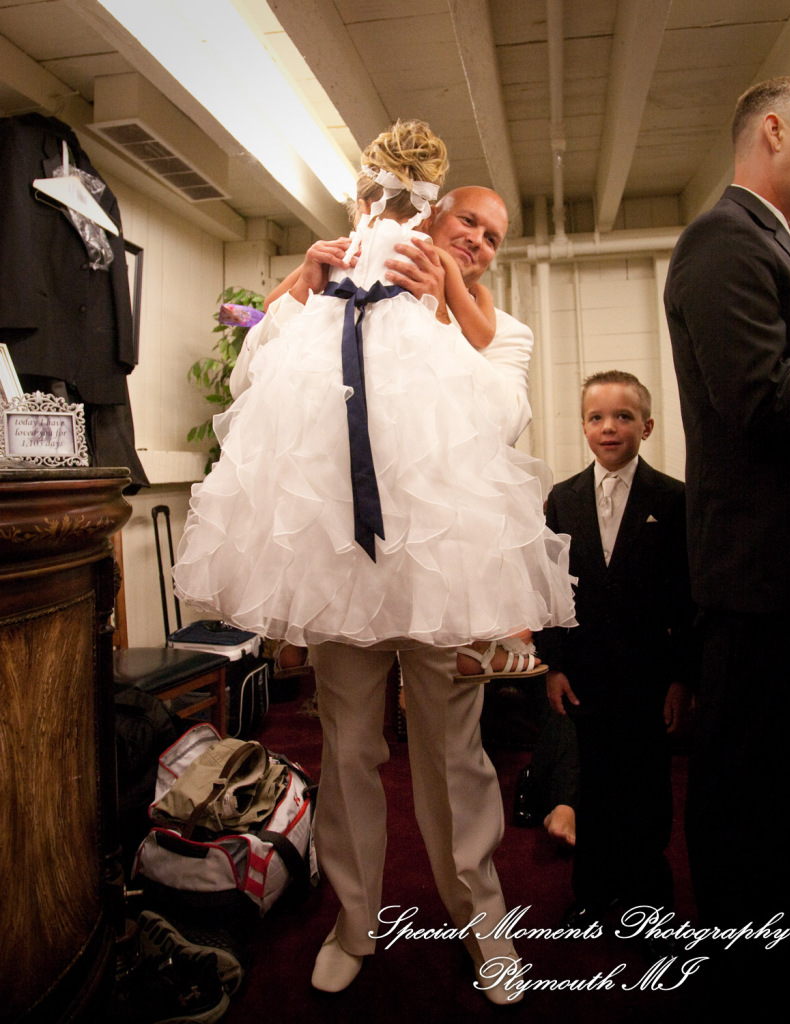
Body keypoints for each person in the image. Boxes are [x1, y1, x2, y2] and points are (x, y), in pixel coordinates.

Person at [176, 121, 575, 1003]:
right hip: (342, 568)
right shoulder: (334, 301)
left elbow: (504, 419)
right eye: (467, 221)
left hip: (440, 571)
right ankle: (354, 922)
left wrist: (453, 309)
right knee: (349, 748)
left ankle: (484, 928)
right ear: (428, 218)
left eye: (493, 238)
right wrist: (297, 286)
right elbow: (249, 387)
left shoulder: (497, 328)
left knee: (454, 756)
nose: (476, 239)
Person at [664, 75, 790, 993]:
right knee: (751, 810)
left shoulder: (773, 242)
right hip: (763, 588)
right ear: (774, 128)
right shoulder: (722, 239)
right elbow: (762, 405)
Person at [530, 371, 693, 925]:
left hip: (648, 677)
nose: (609, 427)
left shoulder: (673, 500)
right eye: (597, 417)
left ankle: (648, 894)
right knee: (593, 783)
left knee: (647, 786)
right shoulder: (563, 499)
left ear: (646, 426)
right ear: (582, 427)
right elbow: (551, 591)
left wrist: (680, 678)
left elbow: (685, 597)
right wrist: (554, 664)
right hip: (586, 675)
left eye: (623, 416)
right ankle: (593, 892)